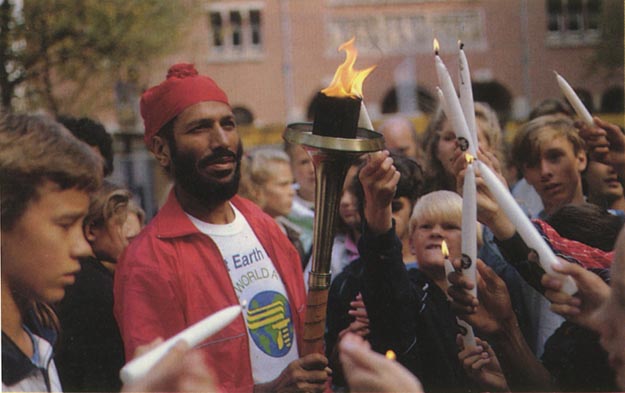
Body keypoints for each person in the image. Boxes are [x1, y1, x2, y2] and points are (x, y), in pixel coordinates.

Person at [113, 63, 329, 392]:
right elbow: (158, 386)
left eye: (228, 124)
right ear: (161, 149)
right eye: (199, 128)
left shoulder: (263, 225)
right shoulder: (148, 261)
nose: (221, 141)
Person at [358, 151, 478, 393]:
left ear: (472, 241)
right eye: (426, 226)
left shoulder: (489, 296)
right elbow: (388, 281)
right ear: (411, 243)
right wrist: (378, 211)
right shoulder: (409, 291)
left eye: (449, 226)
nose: (436, 232)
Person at [324, 153, 423, 389]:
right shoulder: (347, 281)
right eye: (378, 206)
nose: (387, 216)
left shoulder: (431, 270)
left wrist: (381, 311)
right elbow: (332, 363)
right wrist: (343, 345)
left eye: (395, 207)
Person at [55, 180, 133, 392]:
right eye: (118, 224)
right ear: (91, 230)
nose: (126, 235)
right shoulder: (98, 290)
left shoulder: (66, 279)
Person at [239, 147, 307, 263]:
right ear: (256, 190)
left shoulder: (292, 235)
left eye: (292, 183)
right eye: (283, 184)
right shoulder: (244, 239)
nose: (292, 192)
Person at [284, 141, 316, 260]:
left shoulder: (343, 200)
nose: (312, 169)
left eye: (317, 160)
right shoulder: (284, 209)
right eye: (304, 162)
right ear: (290, 167)